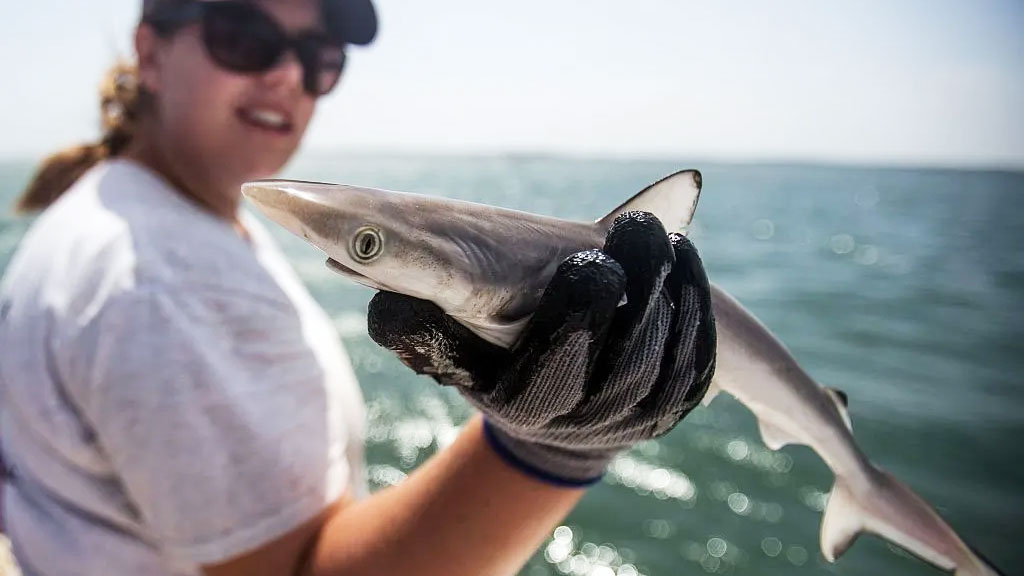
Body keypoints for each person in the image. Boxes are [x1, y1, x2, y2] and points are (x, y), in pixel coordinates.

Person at [0, 1, 717, 575]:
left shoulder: (124, 208)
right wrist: (556, 450)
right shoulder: (164, 284)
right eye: (244, 37)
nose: (288, 75)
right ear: (150, 53)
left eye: (319, 58)